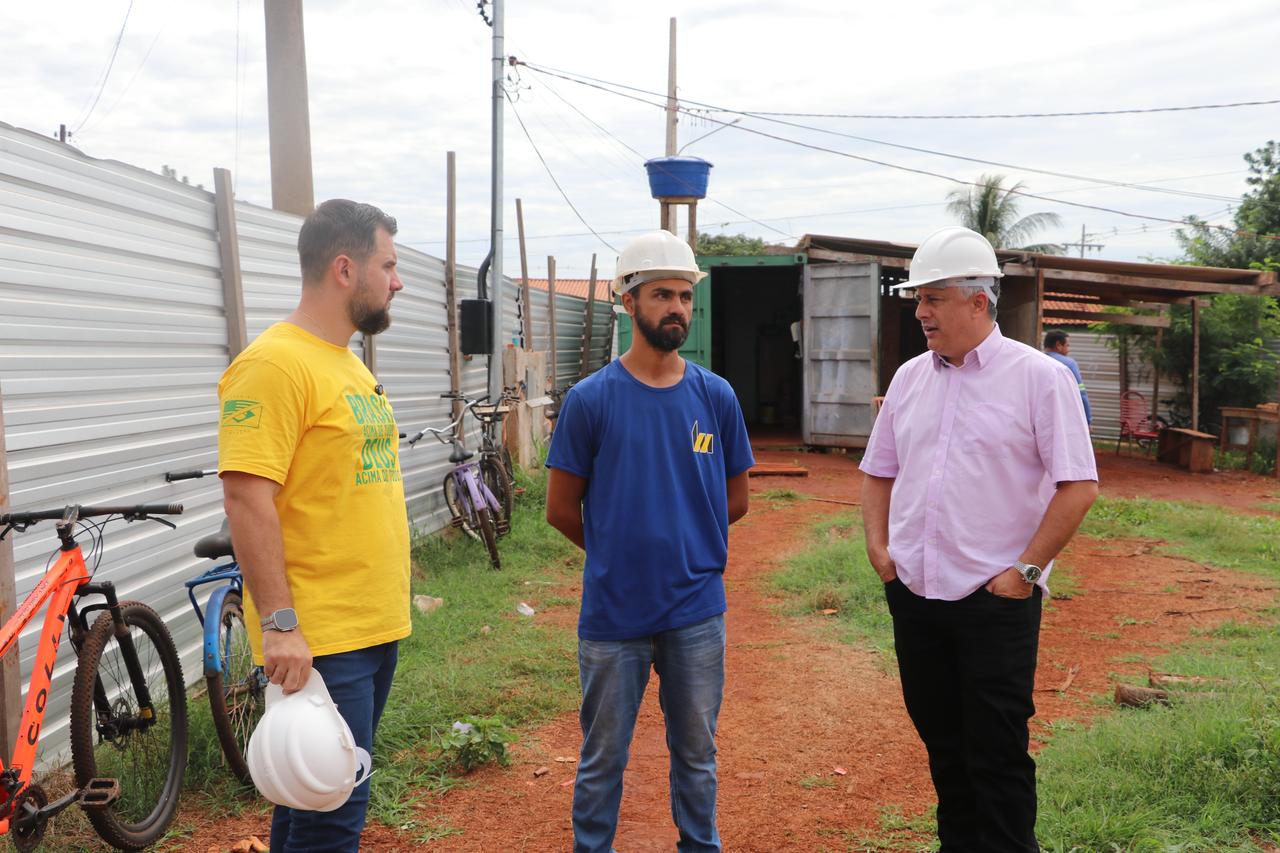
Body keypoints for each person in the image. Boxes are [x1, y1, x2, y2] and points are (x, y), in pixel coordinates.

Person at [859, 225, 1098, 852]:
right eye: (919, 299)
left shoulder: (1039, 378)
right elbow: (878, 471)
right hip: (916, 594)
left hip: (994, 600)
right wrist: (881, 553)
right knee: (943, 745)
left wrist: (1025, 572)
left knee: (997, 753)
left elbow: (1078, 486)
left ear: (978, 300)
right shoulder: (909, 378)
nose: (921, 312)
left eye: (933, 298)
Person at [545, 230, 754, 853]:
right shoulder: (590, 401)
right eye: (662, 294)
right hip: (615, 614)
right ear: (628, 301)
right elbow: (561, 510)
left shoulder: (715, 396)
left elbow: (736, 499)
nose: (677, 308)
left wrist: (686, 546)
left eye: (685, 296)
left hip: (696, 611)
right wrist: (620, 552)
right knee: (603, 758)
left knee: (697, 755)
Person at [217, 199, 408, 853]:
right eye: (388, 266)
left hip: (371, 625)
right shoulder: (273, 365)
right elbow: (246, 497)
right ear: (345, 269)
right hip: (320, 636)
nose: (398, 282)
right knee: (332, 816)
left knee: (312, 799)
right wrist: (280, 625)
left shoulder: (346, 362)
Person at [1043, 329, 1092, 427]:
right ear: (1058, 345)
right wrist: (1088, 420)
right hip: (1064, 419)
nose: (1069, 349)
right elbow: (1081, 392)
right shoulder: (1069, 364)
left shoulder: (1034, 361)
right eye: (1067, 345)